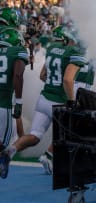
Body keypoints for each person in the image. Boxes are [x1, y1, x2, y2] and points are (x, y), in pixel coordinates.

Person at [0, 25, 88, 177]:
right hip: (58, 102)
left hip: (43, 99)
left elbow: (42, 75)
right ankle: (50, 156)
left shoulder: (53, 49)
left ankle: (10, 151)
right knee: (70, 133)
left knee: (34, 136)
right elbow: (68, 80)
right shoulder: (74, 53)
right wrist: (71, 100)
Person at [0, 28, 28, 179]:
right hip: (3, 103)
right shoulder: (17, 51)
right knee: (3, 144)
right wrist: (19, 102)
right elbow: (17, 75)